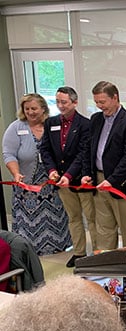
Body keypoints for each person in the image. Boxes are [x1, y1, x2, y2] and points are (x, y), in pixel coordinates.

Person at [2, 93, 71, 255]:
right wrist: (16, 173)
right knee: (29, 217)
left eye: (34, 108)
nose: (30, 112)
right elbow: (8, 154)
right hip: (26, 180)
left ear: (43, 109)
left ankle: (58, 245)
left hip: (51, 179)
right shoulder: (16, 127)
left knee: (55, 211)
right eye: (27, 109)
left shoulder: (53, 124)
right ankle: (29, 249)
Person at [82, 81, 126, 250]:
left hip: (121, 185)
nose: (100, 106)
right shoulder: (95, 119)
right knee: (104, 228)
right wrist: (87, 173)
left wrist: (113, 180)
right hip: (99, 182)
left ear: (115, 97)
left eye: (103, 102)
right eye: (96, 102)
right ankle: (107, 266)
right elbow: (89, 149)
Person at [40, 86, 97, 267]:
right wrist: (51, 171)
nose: (60, 106)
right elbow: (45, 149)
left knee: (92, 218)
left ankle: (96, 253)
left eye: (64, 102)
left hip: (81, 178)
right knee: (73, 217)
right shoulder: (51, 123)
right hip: (61, 181)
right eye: (57, 102)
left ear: (75, 102)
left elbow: (83, 153)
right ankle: (79, 252)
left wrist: (69, 174)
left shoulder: (86, 124)